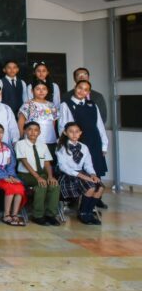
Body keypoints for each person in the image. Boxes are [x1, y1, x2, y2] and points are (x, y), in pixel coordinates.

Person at [58, 79, 109, 207]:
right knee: (77, 168)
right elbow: (63, 126)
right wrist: (66, 142)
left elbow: (99, 125)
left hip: (94, 141)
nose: (82, 91)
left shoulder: (92, 104)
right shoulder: (66, 104)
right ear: (75, 87)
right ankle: (75, 200)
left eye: (85, 89)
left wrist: (104, 144)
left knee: (94, 168)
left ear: (88, 92)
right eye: (80, 87)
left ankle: (94, 200)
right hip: (78, 140)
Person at [56, 122, 104, 225]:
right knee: (90, 187)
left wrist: (93, 175)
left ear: (80, 133)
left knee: (99, 187)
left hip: (82, 174)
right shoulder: (61, 147)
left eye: (77, 132)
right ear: (65, 132)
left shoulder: (84, 147)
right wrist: (82, 176)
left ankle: (89, 212)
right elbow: (63, 167)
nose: (74, 134)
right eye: (71, 132)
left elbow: (88, 164)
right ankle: (83, 213)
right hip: (68, 176)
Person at [14, 122, 60, 226]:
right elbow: (25, 162)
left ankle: (50, 215)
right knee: (41, 185)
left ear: (39, 132)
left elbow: (47, 162)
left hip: (42, 174)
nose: (33, 132)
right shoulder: (20, 144)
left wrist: (50, 176)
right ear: (25, 131)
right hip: (26, 175)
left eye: (36, 130)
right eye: (30, 129)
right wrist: (38, 177)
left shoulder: (42, 145)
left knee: (54, 185)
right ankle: (38, 215)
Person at [18, 79, 59, 155]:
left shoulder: (51, 105)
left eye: (44, 89)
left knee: (48, 162)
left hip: (50, 140)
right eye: (38, 89)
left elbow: (53, 123)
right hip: (33, 140)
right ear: (32, 91)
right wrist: (21, 138)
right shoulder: (27, 105)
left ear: (47, 91)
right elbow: (21, 123)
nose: (41, 91)